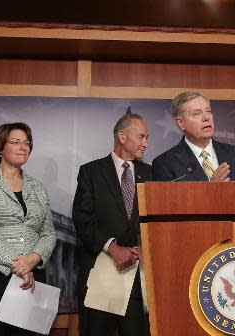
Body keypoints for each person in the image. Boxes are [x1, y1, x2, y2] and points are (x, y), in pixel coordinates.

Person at [0, 122, 56, 336]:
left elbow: (49, 232)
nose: (23, 147)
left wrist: (33, 259)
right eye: (15, 142)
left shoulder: (38, 187)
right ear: (0, 148)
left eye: (27, 143)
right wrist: (21, 265)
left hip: (31, 277)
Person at [72, 110, 152, 336]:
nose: (145, 143)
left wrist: (143, 247)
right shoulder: (91, 172)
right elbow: (82, 218)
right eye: (141, 137)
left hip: (138, 279)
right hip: (100, 276)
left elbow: (156, 221)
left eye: (147, 138)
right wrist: (113, 248)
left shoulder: (151, 173)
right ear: (122, 136)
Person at [152, 91, 235, 182]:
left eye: (208, 111)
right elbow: (168, 203)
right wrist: (211, 189)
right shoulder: (165, 163)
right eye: (197, 113)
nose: (206, 117)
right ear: (181, 123)